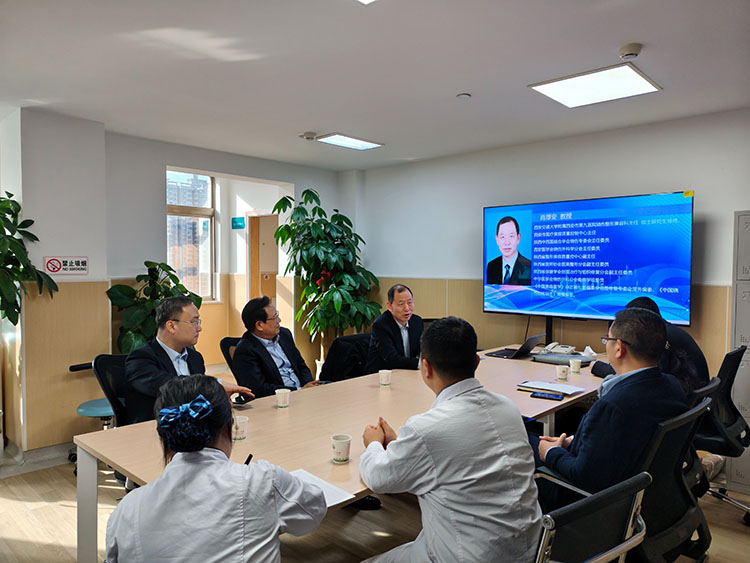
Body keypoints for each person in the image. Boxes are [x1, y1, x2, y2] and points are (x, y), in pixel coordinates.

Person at [359, 317, 541, 562]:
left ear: (425, 367)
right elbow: (452, 456)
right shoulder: (508, 408)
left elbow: (379, 478)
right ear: (476, 362)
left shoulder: (426, 428)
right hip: (529, 551)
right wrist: (399, 443)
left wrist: (373, 443)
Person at [105, 375, 326, 562]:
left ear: (165, 436)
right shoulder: (263, 481)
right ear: (229, 426)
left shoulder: (126, 511)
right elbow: (311, 515)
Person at [529, 307, 689, 510]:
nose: (606, 344)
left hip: (582, 500)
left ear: (619, 348)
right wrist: (571, 441)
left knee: (521, 439)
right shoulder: (672, 386)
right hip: (642, 492)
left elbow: (582, 475)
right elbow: (624, 437)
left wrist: (551, 452)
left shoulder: (614, 405)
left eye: (607, 339)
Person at [125, 296, 253, 424]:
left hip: (192, 429)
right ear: (171, 326)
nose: (199, 328)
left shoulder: (195, 358)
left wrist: (218, 400)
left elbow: (197, 398)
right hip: (153, 429)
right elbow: (168, 387)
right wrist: (213, 385)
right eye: (194, 322)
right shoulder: (140, 358)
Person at [591, 296, 709, 392]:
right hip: (691, 400)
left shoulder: (658, 338)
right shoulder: (668, 331)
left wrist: (600, 368)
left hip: (687, 397)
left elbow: (644, 376)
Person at [231, 296, 318, 398]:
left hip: (303, 394)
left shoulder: (284, 335)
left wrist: (309, 386)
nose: (279, 320)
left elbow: (301, 365)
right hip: (278, 400)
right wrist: (298, 390)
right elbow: (259, 389)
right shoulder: (245, 350)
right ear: (259, 325)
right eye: (275, 317)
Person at [364, 284, 424, 374]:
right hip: (382, 375)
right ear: (389, 306)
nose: (407, 308)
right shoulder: (380, 325)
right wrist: (420, 364)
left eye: (409, 302)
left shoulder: (417, 322)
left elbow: (422, 350)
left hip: (408, 373)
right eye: (401, 304)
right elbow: (391, 359)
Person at [486, 216, 532, 285]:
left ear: (518, 238)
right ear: (497, 239)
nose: (507, 242)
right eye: (502, 237)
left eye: (511, 236)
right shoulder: (491, 266)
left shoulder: (529, 266)